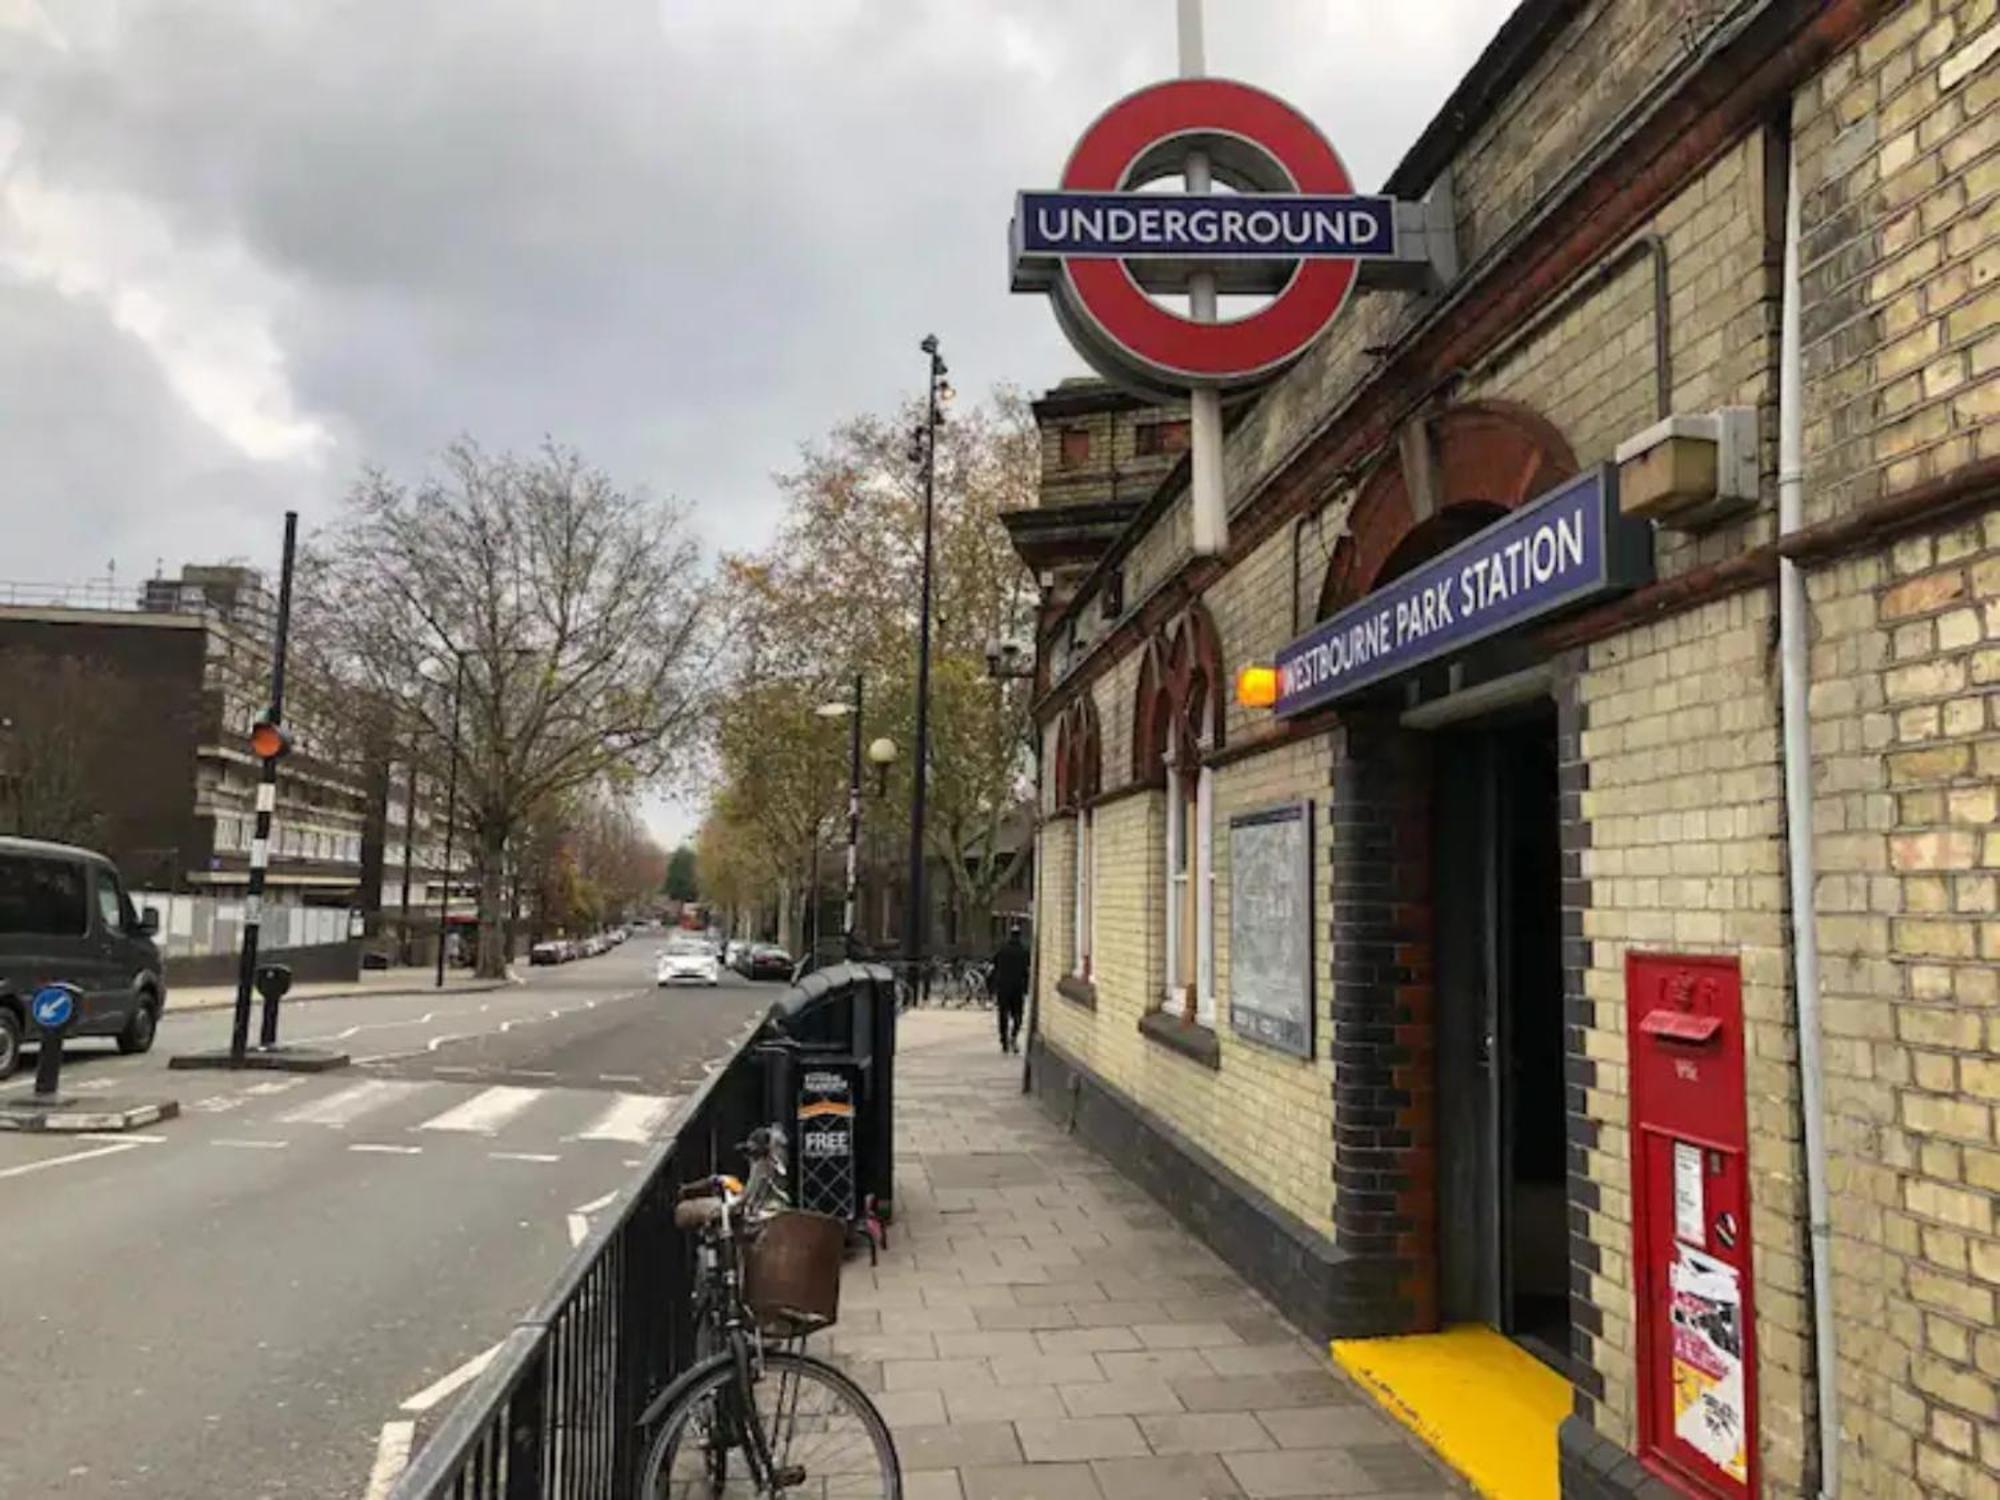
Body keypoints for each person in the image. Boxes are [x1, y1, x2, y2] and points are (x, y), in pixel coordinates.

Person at [989, 925, 1029, 1054]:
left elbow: (994, 964)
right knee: (1017, 1013)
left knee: (1003, 1014)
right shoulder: (1024, 951)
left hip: (1003, 987)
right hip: (1018, 987)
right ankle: (1014, 1035)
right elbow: (1026, 970)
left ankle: (1004, 1040)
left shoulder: (1002, 950)